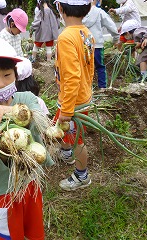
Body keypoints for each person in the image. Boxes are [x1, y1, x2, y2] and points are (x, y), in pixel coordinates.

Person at [0, 35, 54, 239]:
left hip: (30, 183)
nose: (0, 84)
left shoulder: (27, 99)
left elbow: (37, 118)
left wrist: (8, 111)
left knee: (34, 233)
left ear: (16, 75)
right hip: (1, 191)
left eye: (7, 75)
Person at [53, 0, 95, 191]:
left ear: (60, 7)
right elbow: (90, 68)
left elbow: (71, 76)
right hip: (81, 95)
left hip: (73, 101)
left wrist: (67, 110)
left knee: (77, 138)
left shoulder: (65, 37)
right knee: (61, 127)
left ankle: (82, 176)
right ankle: (67, 152)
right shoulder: (86, 33)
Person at [82, 0, 119, 89]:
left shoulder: (81, 12)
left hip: (84, 44)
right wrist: (116, 37)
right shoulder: (99, 12)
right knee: (100, 67)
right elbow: (110, 25)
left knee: (85, 67)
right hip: (97, 44)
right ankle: (102, 87)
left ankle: (86, 88)